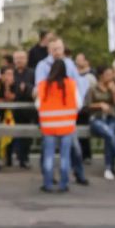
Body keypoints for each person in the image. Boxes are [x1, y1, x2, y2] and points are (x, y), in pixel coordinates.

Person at [34, 36, 89, 185]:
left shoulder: (69, 64)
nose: (57, 52)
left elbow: (78, 86)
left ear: (63, 48)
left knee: (71, 149)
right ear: (49, 50)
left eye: (59, 48)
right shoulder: (42, 66)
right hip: (61, 117)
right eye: (54, 49)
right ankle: (51, 177)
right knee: (52, 151)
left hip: (58, 117)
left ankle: (75, 174)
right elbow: (40, 89)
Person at [36, 59, 81, 192]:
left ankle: (48, 183)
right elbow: (78, 103)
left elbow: (38, 105)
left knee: (49, 155)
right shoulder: (71, 84)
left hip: (48, 126)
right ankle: (63, 184)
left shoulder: (44, 85)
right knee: (64, 156)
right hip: (67, 126)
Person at [87, 67, 115, 180]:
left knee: (109, 135)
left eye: (112, 74)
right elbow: (87, 105)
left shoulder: (114, 87)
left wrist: (114, 93)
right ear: (101, 75)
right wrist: (100, 104)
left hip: (111, 118)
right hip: (97, 118)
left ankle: (108, 168)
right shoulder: (93, 88)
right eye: (108, 74)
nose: (110, 76)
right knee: (110, 133)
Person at [8, 50, 35, 168]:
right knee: (12, 135)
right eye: (17, 58)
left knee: (27, 136)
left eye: (21, 58)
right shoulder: (10, 73)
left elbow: (34, 89)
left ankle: (24, 158)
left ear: (26, 59)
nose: (19, 61)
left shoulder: (32, 73)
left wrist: (25, 88)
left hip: (28, 109)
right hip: (13, 109)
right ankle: (9, 158)